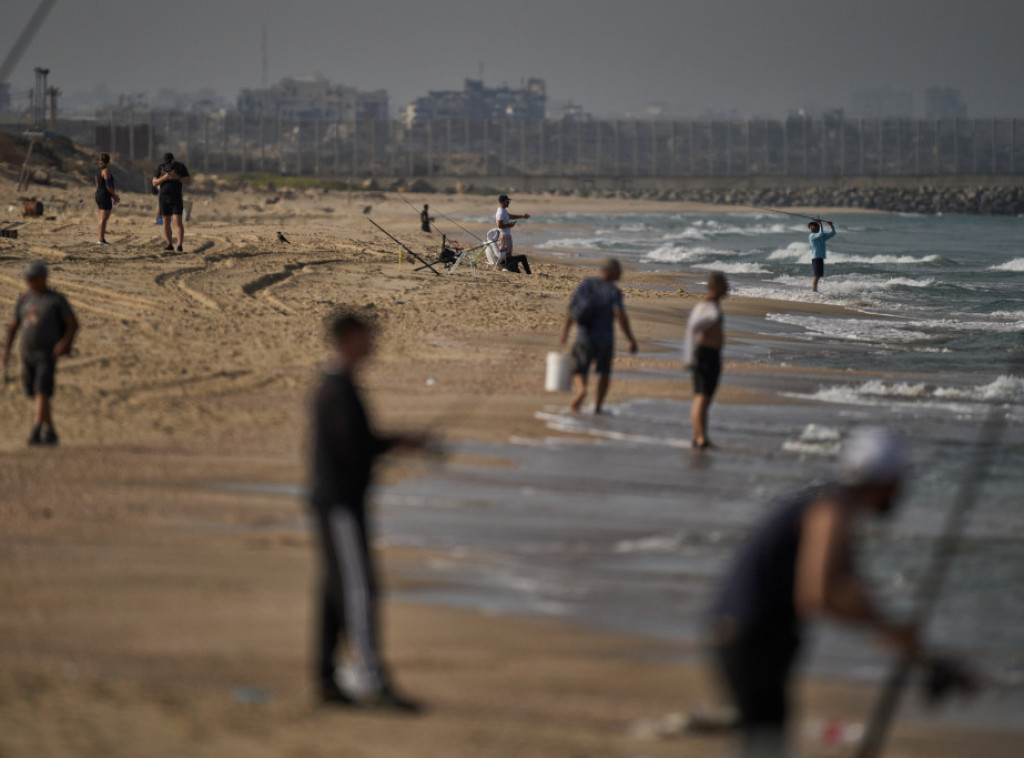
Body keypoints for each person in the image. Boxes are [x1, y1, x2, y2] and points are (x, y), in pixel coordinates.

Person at [709, 428, 920, 758]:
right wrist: (888, 628)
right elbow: (819, 593)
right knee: (765, 744)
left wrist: (896, 635)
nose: (901, 491)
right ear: (884, 481)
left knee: (764, 741)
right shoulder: (832, 511)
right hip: (750, 637)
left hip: (746, 634)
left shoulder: (832, 504)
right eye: (899, 482)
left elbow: (846, 586)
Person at [310, 312, 426, 711]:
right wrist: (396, 444)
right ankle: (371, 681)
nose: (372, 341)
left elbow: (360, 442)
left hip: (338, 501)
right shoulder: (335, 388)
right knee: (359, 589)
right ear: (347, 339)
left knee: (334, 591)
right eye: (366, 335)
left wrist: (401, 442)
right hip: (340, 503)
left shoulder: (338, 385)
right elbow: (352, 447)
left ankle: (327, 680)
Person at [3, 261, 79, 446]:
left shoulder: (55, 299)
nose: (28, 281)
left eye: (32, 278)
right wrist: (6, 349)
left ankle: (37, 429)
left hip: (47, 353)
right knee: (35, 392)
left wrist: (63, 343)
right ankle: (50, 430)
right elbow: (14, 326)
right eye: (27, 278)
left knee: (41, 391)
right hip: (27, 352)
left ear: (43, 278)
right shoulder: (24, 300)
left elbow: (72, 323)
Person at [560, 258, 638, 414]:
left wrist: (565, 332)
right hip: (605, 338)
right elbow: (620, 314)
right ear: (610, 271)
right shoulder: (614, 292)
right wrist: (630, 338)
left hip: (584, 336)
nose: (621, 273)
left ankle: (581, 390)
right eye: (618, 270)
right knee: (604, 372)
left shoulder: (586, 284)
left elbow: (571, 310)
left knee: (580, 369)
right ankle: (598, 406)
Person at [683, 271, 728, 449]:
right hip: (705, 355)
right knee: (702, 397)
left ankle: (700, 436)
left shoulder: (710, 305)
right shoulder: (708, 306)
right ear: (716, 285)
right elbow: (694, 327)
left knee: (705, 398)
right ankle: (700, 438)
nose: (728, 287)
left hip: (708, 354)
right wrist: (691, 354)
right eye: (724, 284)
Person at [152, 152, 191, 253]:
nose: (168, 165)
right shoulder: (161, 167)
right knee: (166, 222)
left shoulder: (180, 167)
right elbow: (154, 182)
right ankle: (169, 244)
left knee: (178, 221)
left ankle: (179, 245)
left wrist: (177, 177)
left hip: (176, 198)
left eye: (169, 163)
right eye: (166, 163)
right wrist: (164, 178)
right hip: (164, 198)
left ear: (173, 160)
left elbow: (188, 181)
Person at [495, 194, 532, 274]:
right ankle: (507, 266)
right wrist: (509, 225)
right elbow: (499, 225)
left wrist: (522, 216)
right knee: (507, 256)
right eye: (507, 201)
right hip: (504, 237)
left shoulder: (503, 210)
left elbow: (510, 216)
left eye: (508, 201)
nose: (508, 202)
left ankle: (512, 267)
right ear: (502, 202)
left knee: (509, 255)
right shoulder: (500, 212)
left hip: (507, 236)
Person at [94, 153, 119, 245]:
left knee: (102, 217)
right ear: (108, 161)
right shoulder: (106, 170)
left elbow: (97, 184)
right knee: (104, 218)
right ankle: (101, 239)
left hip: (98, 194)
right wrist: (115, 196)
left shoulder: (97, 171)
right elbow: (108, 186)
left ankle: (101, 238)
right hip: (104, 195)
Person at [808, 219, 836, 292]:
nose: (811, 227)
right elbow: (820, 234)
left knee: (819, 275)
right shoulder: (812, 236)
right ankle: (814, 291)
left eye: (812, 226)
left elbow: (833, 233)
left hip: (820, 258)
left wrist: (831, 226)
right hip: (816, 258)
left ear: (817, 228)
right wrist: (820, 224)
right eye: (810, 227)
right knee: (817, 276)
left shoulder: (822, 236)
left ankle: (815, 290)